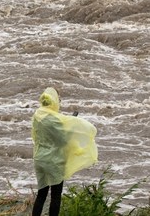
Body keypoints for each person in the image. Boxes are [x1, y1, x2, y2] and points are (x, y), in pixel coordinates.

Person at [31, 87, 98, 216]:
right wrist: (71, 126)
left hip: (39, 159)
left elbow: (36, 136)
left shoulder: (37, 115)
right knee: (56, 196)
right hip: (54, 161)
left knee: (41, 194)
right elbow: (63, 141)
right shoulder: (55, 119)